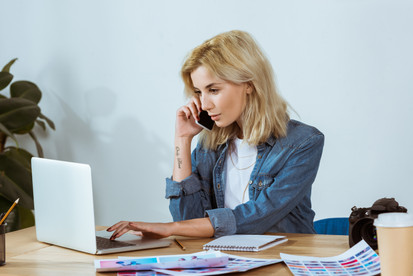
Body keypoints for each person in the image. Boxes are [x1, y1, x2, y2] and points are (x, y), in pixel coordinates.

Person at [108, 30, 324, 240]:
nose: (204, 104)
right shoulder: (211, 145)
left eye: (213, 90)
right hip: (228, 261)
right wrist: (182, 139)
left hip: (285, 261)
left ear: (248, 84)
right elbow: (187, 219)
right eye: (199, 92)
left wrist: (170, 228)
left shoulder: (303, 142)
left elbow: (257, 217)